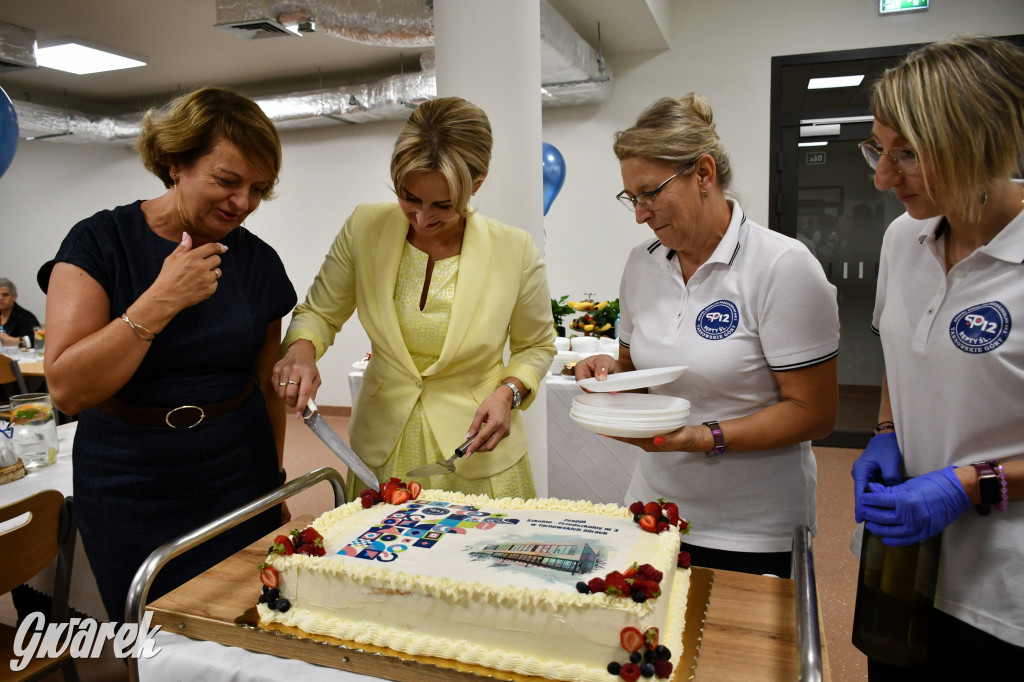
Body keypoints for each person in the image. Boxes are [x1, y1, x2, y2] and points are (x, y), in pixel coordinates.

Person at [38, 86, 296, 621]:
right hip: (130, 481)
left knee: (254, 623)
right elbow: (67, 387)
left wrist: (271, 482)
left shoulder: (257, 262)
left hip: (238, 472)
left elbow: (267, 386)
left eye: (258, 189)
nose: (243, 203)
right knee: (153, 638)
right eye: (227, 181)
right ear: (176, 162)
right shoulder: (99, 243)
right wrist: (161, 300)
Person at [575, 93, 839, 578]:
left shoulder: (781, 267)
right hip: (654, 510)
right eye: (632, 198)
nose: (641, 213)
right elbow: (634, 368)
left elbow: (815, 413)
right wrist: (608, 373)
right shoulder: (643, 264)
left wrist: (706, 437)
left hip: (752, 527)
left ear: (703, 173)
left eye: (651, 193)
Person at [275, 96, 555, 501]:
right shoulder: (364, 227)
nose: (423, 219)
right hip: (382, 445)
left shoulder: (515, 249)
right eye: (410, 198)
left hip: (475, 451)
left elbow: (536, 346)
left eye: (444, 205)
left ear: (476, 184)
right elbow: (319, 312)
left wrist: (508, 392)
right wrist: (301, 351)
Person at [852, 36, 1024, 677]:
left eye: (909, 155)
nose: (882, 177)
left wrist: (969, 484)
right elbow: (903, 351)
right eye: (879, 149)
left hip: (1003, 595)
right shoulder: (904, 237)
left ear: (981, 143)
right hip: (906, 562)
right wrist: (887, 432)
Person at [0, 277, 40, 346]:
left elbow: (39, 340)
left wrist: (16, 341)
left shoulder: (26, 317)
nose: (0, 298)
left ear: (14, 297)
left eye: (5, 295)